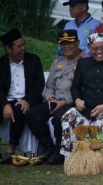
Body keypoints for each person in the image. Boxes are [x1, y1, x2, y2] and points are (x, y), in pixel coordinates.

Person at [60, 33, 103, 156]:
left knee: (102, 122)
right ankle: (71, 156)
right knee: (67, 116)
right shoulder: (83, 63)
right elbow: (75, 87)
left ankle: (93, 156)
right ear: (89, 48)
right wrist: (77, 100)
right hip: (87, 108)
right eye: (95, 49)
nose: (99, 52)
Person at [25, 30, 87, 164]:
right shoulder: (57, 62)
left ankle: (59, 152)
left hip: (72, 103)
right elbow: (49, 86)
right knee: (32, 114)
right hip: (54, 101)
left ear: (78, 43)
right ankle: (48, 147)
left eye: (69, 43)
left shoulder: (86, 61)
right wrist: (50, 99)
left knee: (59, 119)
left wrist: (64, 102)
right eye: (63, 43)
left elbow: (83, 89)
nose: (66, 46)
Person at [0, 28, 45, 162]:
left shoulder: (33, 60)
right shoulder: (0, 64)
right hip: (7, 99)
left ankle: (11, 150)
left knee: (19, 110)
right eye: (19, 46)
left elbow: (38, 85)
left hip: (27, 99)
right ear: (8, 49)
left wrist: (27, 100)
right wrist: (5, 104)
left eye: (24, 44)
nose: (23, 48)